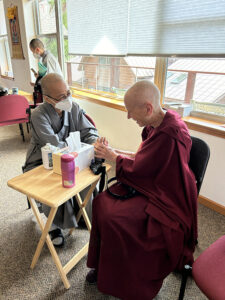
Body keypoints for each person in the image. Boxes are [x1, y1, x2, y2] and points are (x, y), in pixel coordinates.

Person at [86, 80, 198, 300]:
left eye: (130, 111)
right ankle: (104, 265)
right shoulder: (157, 121)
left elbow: (141, 168)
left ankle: (132, 280)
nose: (128, 116)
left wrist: (112, 156)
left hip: (167, 194)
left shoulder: (170, 133)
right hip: (153, 182)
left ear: (148, 108)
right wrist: (114, 151)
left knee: (117, 218)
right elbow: (145, 158)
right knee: (101, 203)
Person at [23, 73, 99, 246]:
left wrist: (95, 144)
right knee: (56, 184)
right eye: (62, 97)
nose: (67, 98)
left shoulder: (73, 108)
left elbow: (89, 132)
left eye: (68, 93)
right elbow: (54, 145)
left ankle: (83, 215)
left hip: (72, 158)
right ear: (47, 98)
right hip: (42, 162)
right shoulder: (38, 115)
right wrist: (79, 148)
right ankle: (54, 225)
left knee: (87, 176)